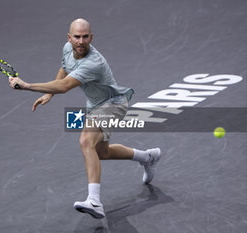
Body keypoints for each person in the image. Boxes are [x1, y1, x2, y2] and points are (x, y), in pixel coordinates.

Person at [9, 18, 161, 219]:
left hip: (113, 104)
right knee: (102, 152)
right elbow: (65, 68)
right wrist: (48, 94)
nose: (81, 41)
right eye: (77, 37)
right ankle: (147, 157)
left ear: (91, 37)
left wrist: (27, 86)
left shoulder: (93, 63)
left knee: (85, 140)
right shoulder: (67, 48)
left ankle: (95, 201)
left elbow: (64, 86)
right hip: (95, 104)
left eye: (85, 37)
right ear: (69, 38)